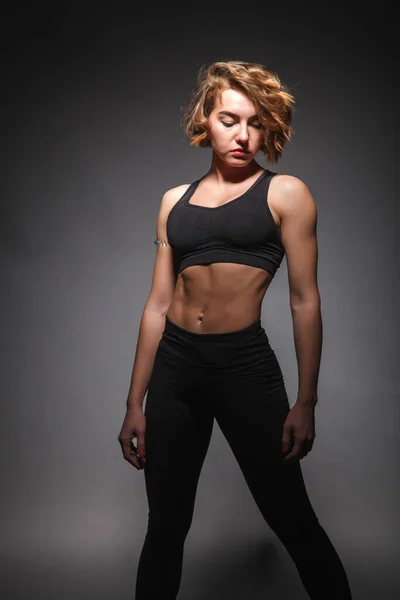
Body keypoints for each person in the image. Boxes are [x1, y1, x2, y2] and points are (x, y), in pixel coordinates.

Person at [118, 60, 353, 599]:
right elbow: (157, 304)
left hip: (243, 368)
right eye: (229, 119)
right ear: (206, 118)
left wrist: (307, 401)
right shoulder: (172, 202)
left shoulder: (286, 194)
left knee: (294, 522)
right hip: (175, 369)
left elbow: (305, 299)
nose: (243, 135)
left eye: (255, 122)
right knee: (165, 528)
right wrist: (135, 402)